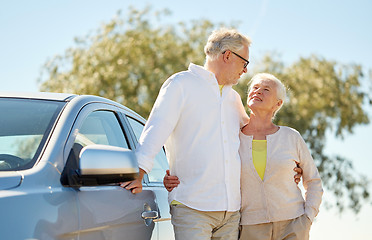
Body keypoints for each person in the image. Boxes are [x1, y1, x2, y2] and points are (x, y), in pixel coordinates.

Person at [123, 28, 302, 240]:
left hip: (231, 212)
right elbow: (156, 128)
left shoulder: (233, 99)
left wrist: (287, 166)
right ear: (227, 55)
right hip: (192, 207)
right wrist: (140, 172)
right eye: (245, 63)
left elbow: (255, 138)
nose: (245, 71)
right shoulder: (181, 84)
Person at [237, 73, 323, 240]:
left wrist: (307, 219)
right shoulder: (234, 138)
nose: (258, 92)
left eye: (266, 89)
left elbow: (313, 181)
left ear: (278, 103)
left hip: (293, 225)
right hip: (250, 228)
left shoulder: (291, 137)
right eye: (254, 88)